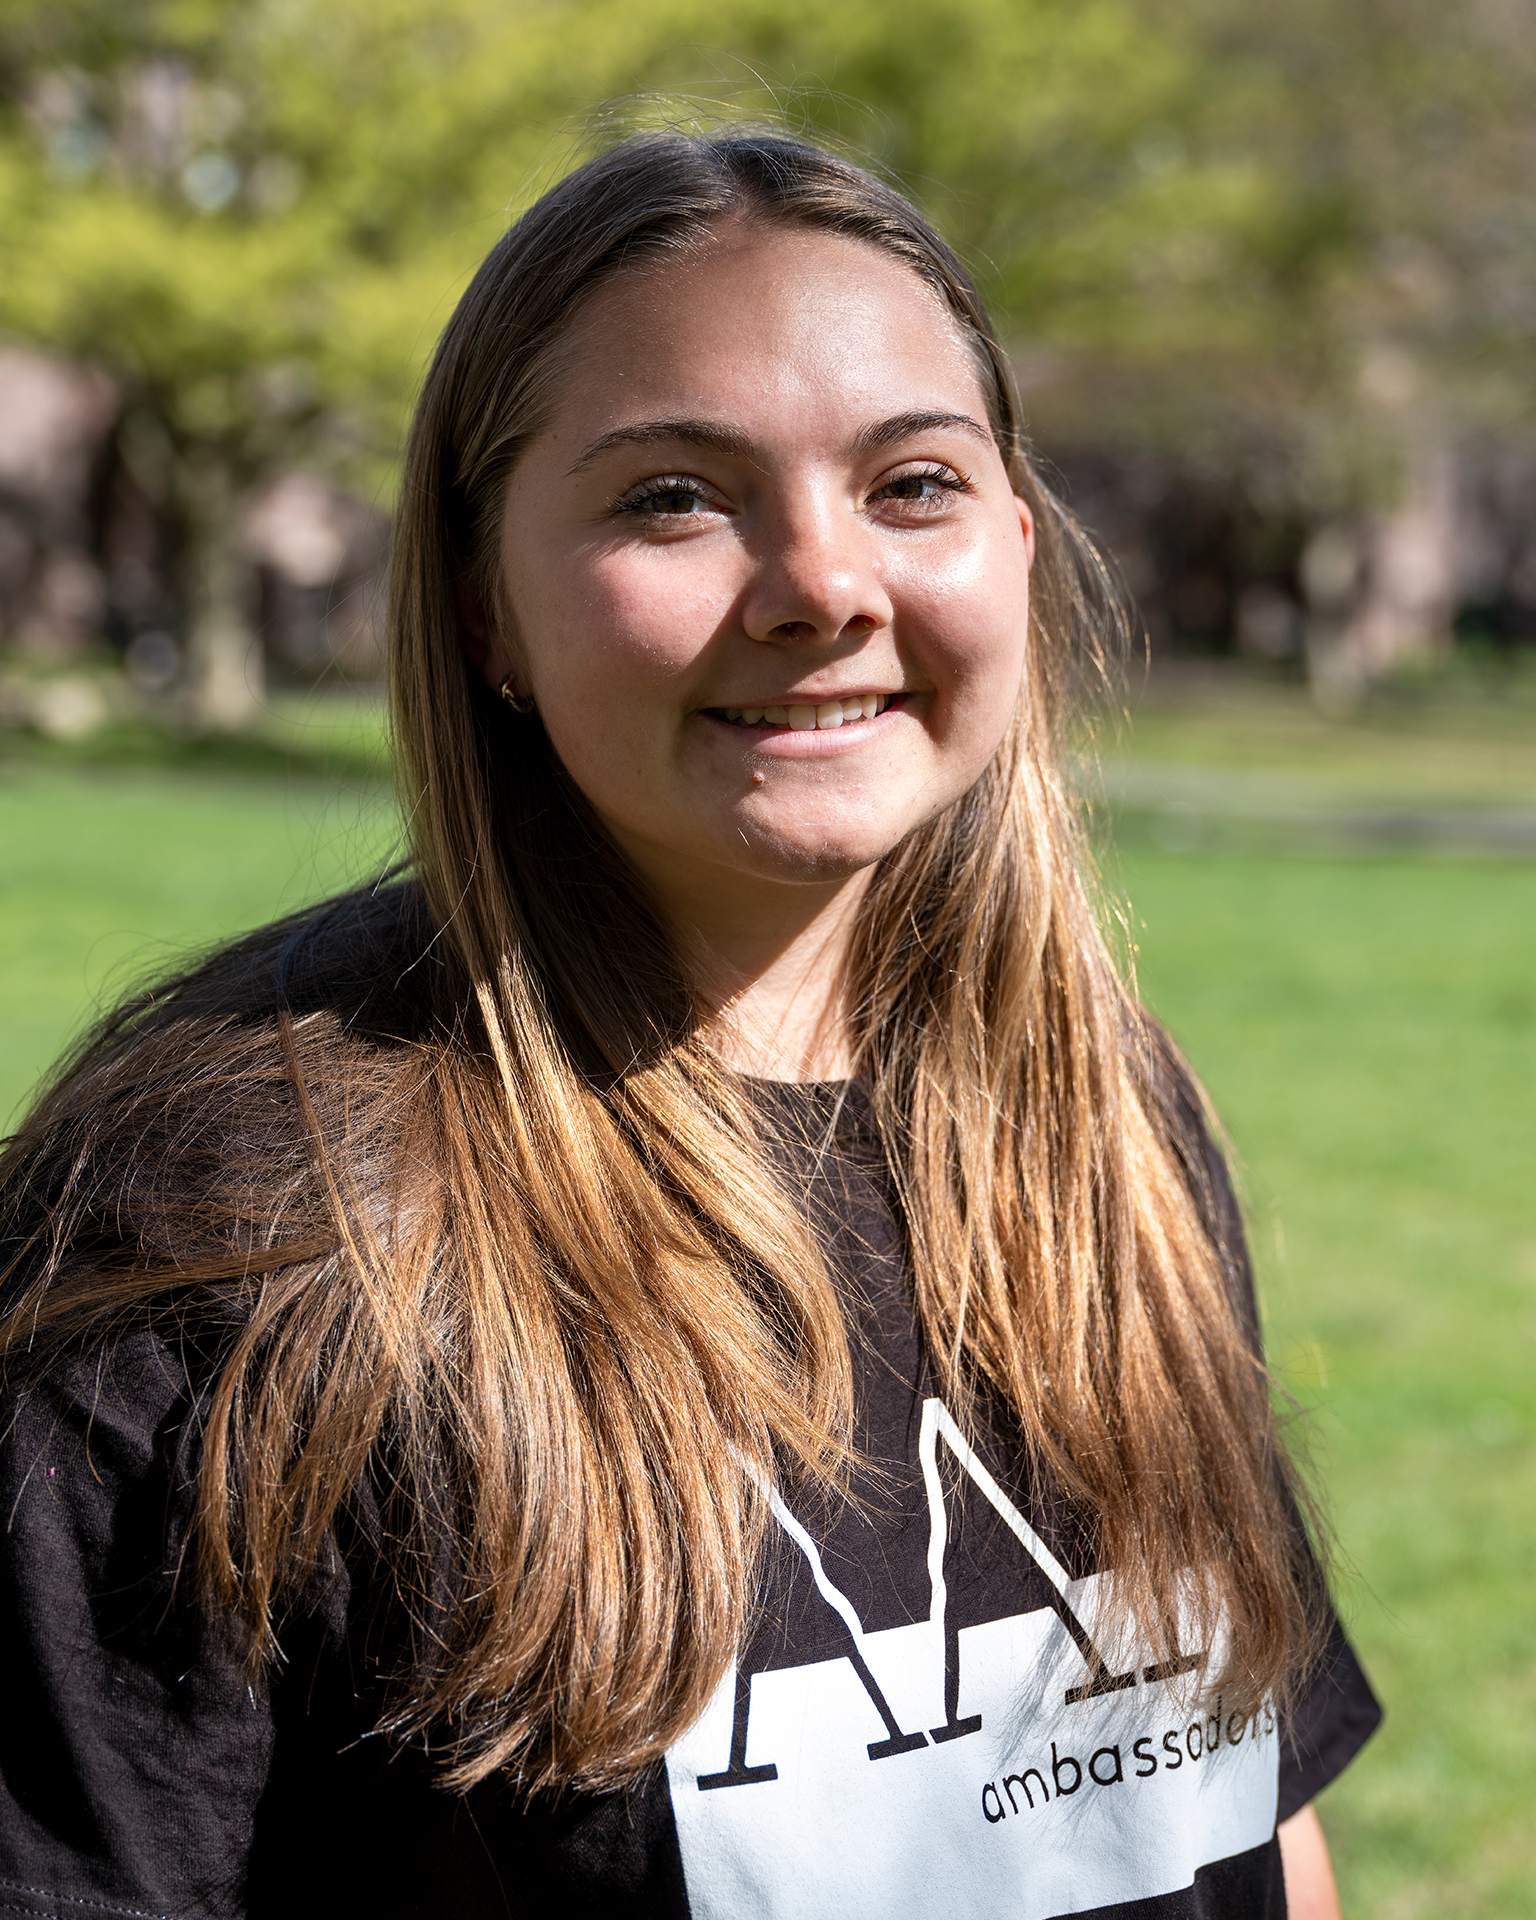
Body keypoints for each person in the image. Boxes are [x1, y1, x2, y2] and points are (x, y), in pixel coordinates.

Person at [0, 129, 1378, 1920]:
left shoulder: (1102, 1108)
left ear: (1018, 544)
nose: (822, 583)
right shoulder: (210, 1234)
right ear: (486, 598)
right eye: (673, 496)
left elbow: (1249, 1823)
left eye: (913, 484)